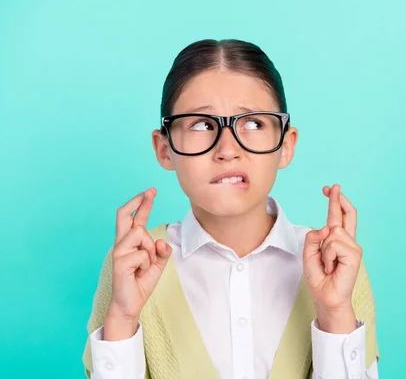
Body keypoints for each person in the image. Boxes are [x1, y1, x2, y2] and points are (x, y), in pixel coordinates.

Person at [82, 39, 380, 379]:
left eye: (253, 124)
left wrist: (334, 312)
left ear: (285, 145)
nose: (227, 150)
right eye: (201, 124)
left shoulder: (337, 263)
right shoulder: (131, 263)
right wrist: (122, 315)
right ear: (164, 149)